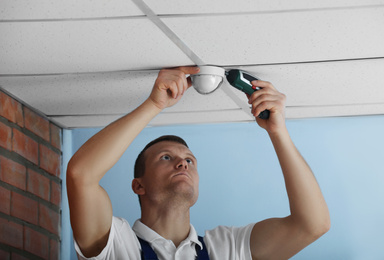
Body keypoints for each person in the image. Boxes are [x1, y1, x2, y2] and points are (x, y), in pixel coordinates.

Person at [67, 66, 330, 260]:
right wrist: (154, 104)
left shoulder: (226, 248)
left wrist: (278, 131)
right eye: (166, 158)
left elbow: (312, 225)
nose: (183, 164)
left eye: (190, 160)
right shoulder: (116, 245)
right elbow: (81, 175)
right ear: (139, 186)